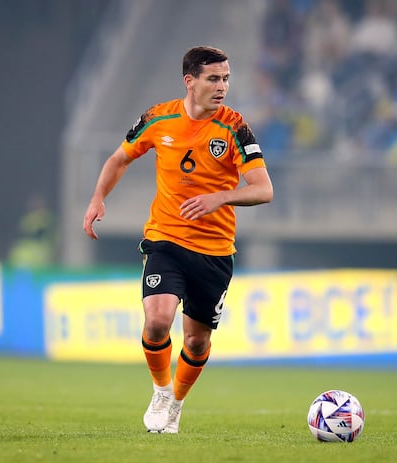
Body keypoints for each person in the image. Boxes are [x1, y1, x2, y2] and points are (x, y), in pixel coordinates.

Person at [82, 46, 273, 434]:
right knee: (156, 321)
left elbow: (263, 189)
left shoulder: (235, 127)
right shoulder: (158, 117)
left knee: (196, 342)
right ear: (190, 81)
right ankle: (160, 391)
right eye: (213, 79)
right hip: (165, 239)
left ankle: (177, 403)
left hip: (215, 251)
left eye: (226, 79)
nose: (222, 87)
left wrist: (221, 196)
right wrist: (98, 197)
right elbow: (119, 158)